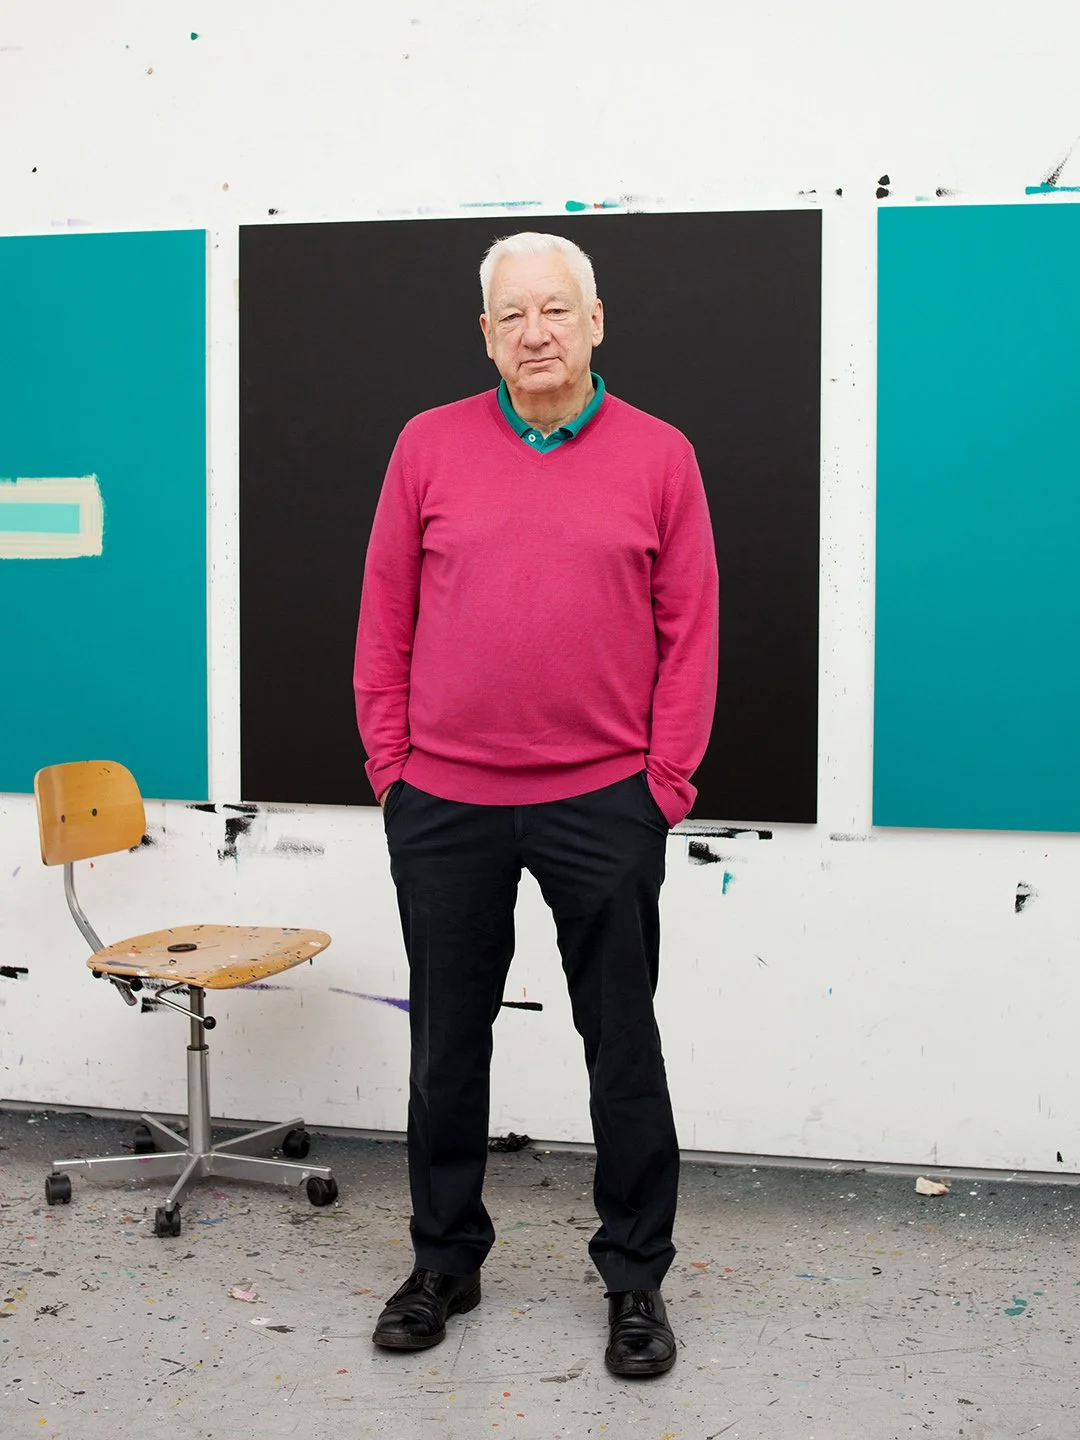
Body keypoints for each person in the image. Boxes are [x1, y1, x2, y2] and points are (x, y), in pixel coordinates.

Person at [354, 231, 718, 1378]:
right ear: (486, 334)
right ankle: (445, 1262)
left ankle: (636, 1282)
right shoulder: (427, 445)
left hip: (603, 802)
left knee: (622, 1047)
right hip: (444, 801)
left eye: (556, 311)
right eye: (513, 316)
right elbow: (384, 620)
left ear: (597, 320)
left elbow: (691, 634)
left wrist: (659, 787)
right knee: (446, 1051)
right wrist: (391, 768)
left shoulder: (662, 456)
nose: (536, 333)